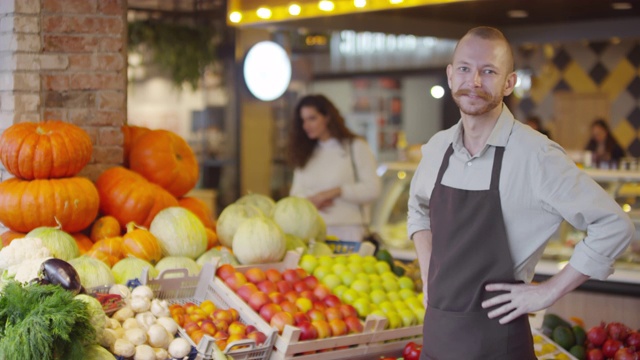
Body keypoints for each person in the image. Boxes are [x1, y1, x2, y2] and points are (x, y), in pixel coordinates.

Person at [407, 26, 633, 359]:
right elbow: (418, 210)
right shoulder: (437, 148)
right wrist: (429, 276)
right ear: (451, 75)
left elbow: (615, 225)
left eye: (489, 71)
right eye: (466, 70)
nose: (475, 82)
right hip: (437, 338)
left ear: (509, 83)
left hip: (497, 343)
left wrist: (548, 293)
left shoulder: (535, 155)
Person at [288, 94, 381, 242]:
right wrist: (311, 201)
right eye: (303, 120)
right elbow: (295, 194)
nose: (306, 126)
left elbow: (372, 189)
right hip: (312, 233)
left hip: (350, 233)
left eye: (312, 118)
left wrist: (335, 192)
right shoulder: (304, 153)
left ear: (327, 117)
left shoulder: (356, 147)